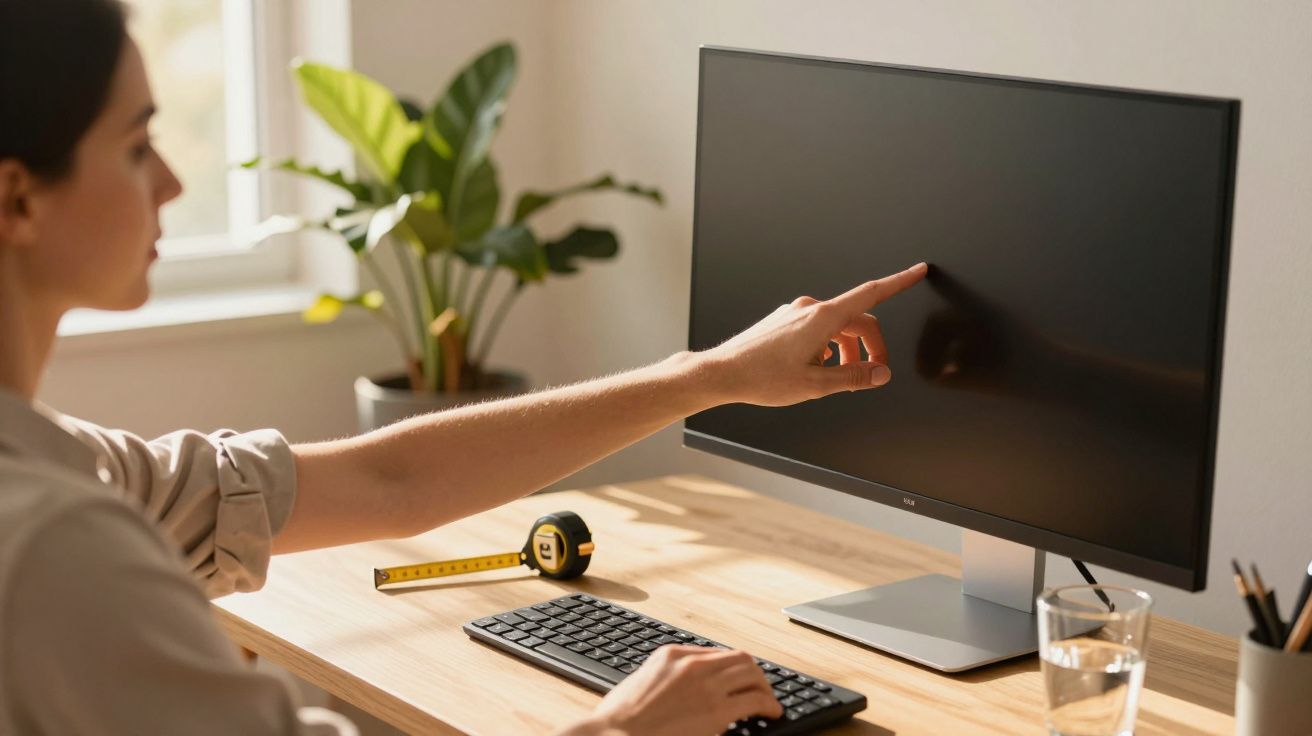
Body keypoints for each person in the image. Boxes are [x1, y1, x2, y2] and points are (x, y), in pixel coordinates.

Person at [0, 1, 927, 734]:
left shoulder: (64, 471)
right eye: (133, 146)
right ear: (18, 199)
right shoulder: (55, 543)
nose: (168, 181)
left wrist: (711, 375)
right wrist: (623, 730)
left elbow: (385, 478)